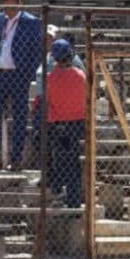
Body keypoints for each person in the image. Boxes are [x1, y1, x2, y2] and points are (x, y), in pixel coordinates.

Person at [0, 0, 43, 171]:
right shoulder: (0, 19)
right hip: (0, 74)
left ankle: (16, 159)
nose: (9, 11)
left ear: (20, 4)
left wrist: (27, 74)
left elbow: (37, 51)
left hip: (19, 75)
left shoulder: (31, 22)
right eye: (6, 7)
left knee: (19, 118)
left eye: (12, 7)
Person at [44, 39, 87, 208]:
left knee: (60, 158)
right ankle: (74, 199)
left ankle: (58, 190)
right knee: (73, 162)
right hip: (77, 123)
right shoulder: (80, 75)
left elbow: (48, 101)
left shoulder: (51, 78)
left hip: (57, 124)